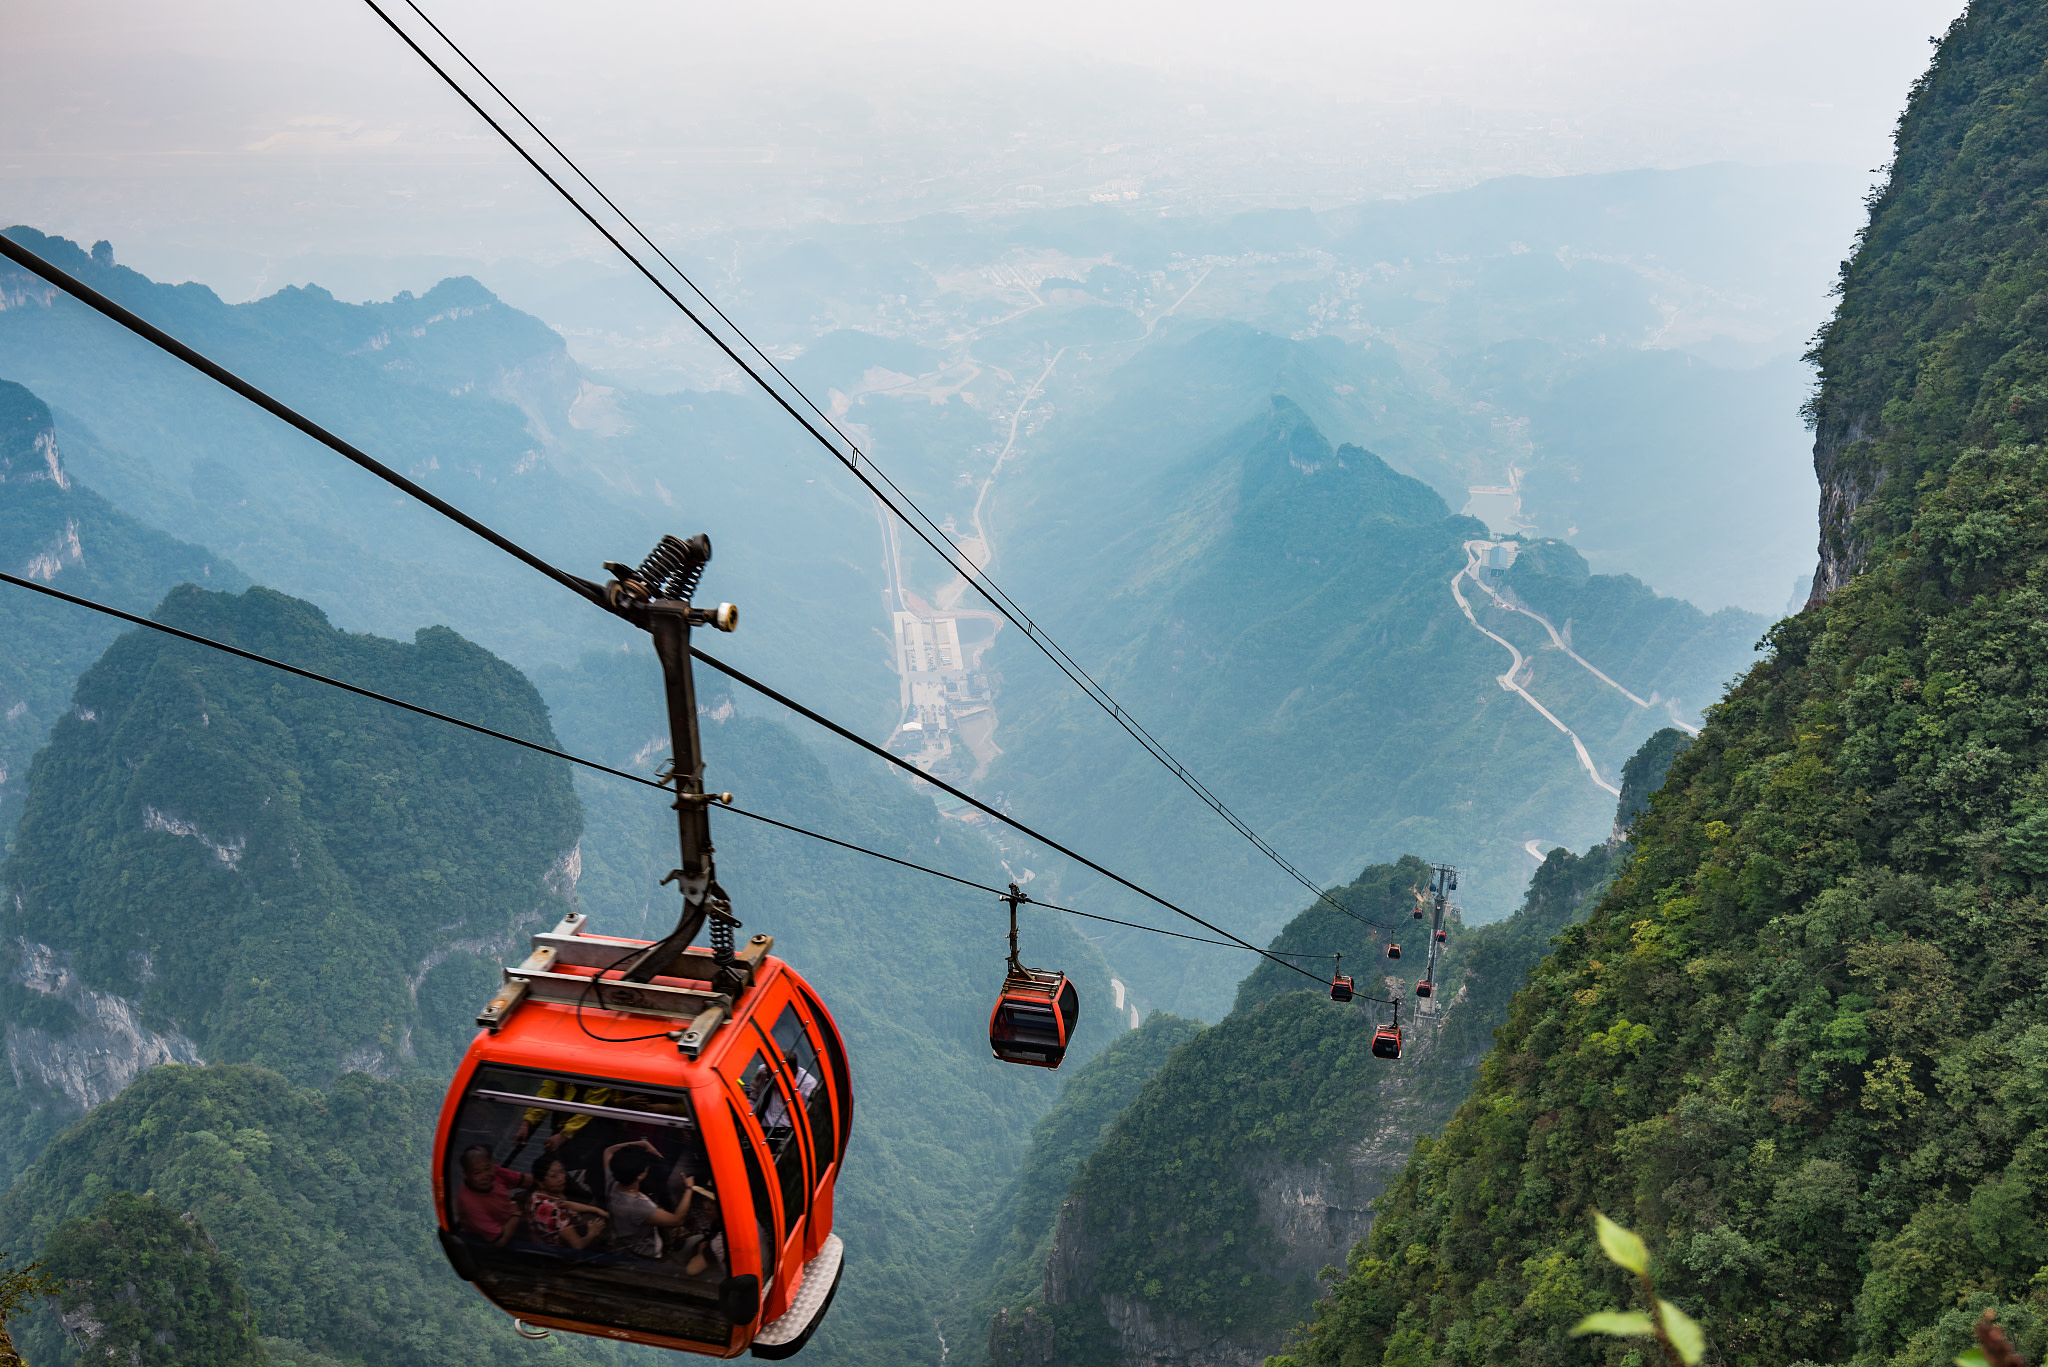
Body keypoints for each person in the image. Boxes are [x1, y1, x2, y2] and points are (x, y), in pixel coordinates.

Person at [603, 1138, 699, 1260]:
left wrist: (642, 1144)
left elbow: (608, 1151)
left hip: (621, 1243)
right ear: (640, 1175)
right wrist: (689, 1188)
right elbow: (677, 1220)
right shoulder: (637, 1206)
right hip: (643, 1256)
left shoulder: (612, 1180)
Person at [526, 1156, 610, 1250]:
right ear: (540, 1182)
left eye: (562, 1172)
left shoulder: (536, 1196)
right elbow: (578, 1245)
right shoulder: (555, 1211)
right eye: (554, 1176)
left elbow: (564, 1203)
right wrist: (592, 1233)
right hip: (563, 1253)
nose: (561, 1178)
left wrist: (596, 1209)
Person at [455, 1145, 531, 1246]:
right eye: (477, 1173)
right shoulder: (470, 1204)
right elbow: (500, 1241)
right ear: (466, 1174)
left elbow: (527, 1181)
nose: (484, 1176)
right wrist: (517, 1213)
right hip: (495, 1244)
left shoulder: (495, 1171)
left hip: (513, 1217)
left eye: (487, 1169)